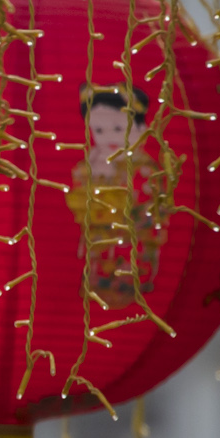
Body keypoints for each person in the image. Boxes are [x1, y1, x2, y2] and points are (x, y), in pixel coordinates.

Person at [66, 81, 169, 307]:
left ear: (141, 129)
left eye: (119, 129)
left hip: (132, 236)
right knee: (97, 265)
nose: (109, 137)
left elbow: (151, 206)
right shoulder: (91, 165)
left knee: (128, 267)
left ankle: (128, 290)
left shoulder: (143, 168)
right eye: (99, 130)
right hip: (99, 236)